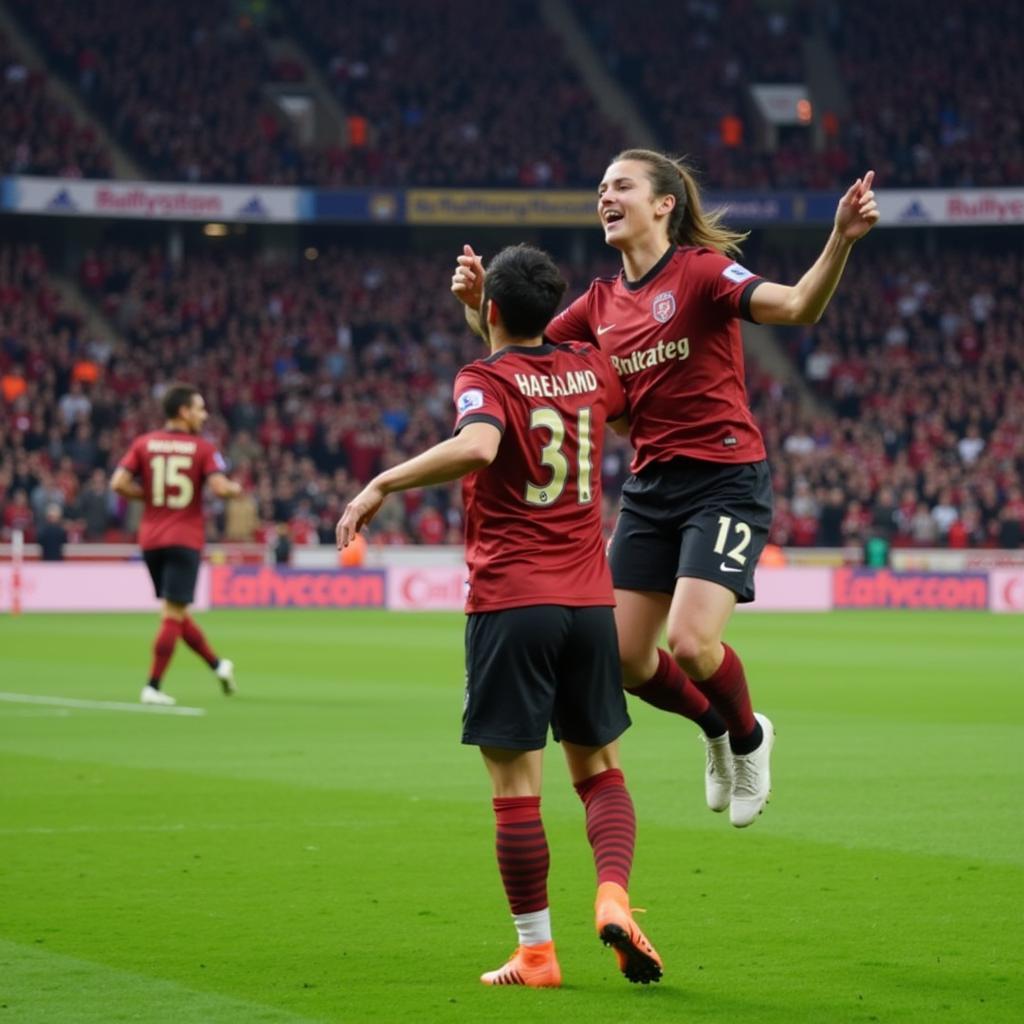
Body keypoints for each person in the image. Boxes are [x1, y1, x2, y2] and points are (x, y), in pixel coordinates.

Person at [453, 150, 879, 828]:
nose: (605, 196)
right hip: (652, 488)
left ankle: (748, 736)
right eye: (600, 188)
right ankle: (713, 727)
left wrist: (840, 239)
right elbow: (518, 349)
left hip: (725, 481)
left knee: (689, 644)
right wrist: (482, 307)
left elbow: (798, 306)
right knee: (622, 657)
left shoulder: (702, 274)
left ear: (663, 205)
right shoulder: (596, 303)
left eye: (621, 185)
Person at [338, 244, 662, 989]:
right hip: (589, 603)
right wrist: (483, 311)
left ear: (490, 312)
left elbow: (482, 441)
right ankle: (613, 894)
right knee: (601, 772)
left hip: (513, 601)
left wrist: (381, 483)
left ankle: (537, 954)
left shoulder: (481, 377)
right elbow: (547, 371)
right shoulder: (592, 366)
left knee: (517, 787)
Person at [110, 383, 242, 706]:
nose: (204, 414)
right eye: (199, 408)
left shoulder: (144, 443)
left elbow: (118, 483)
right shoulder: (203, 448)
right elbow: (221, 488)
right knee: (173, 613)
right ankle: (153, 686)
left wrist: (152, 497)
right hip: (184, 538)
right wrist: (235, 489)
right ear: (183, 412)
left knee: (174, 612)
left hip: (151, 539)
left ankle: (217, 664)